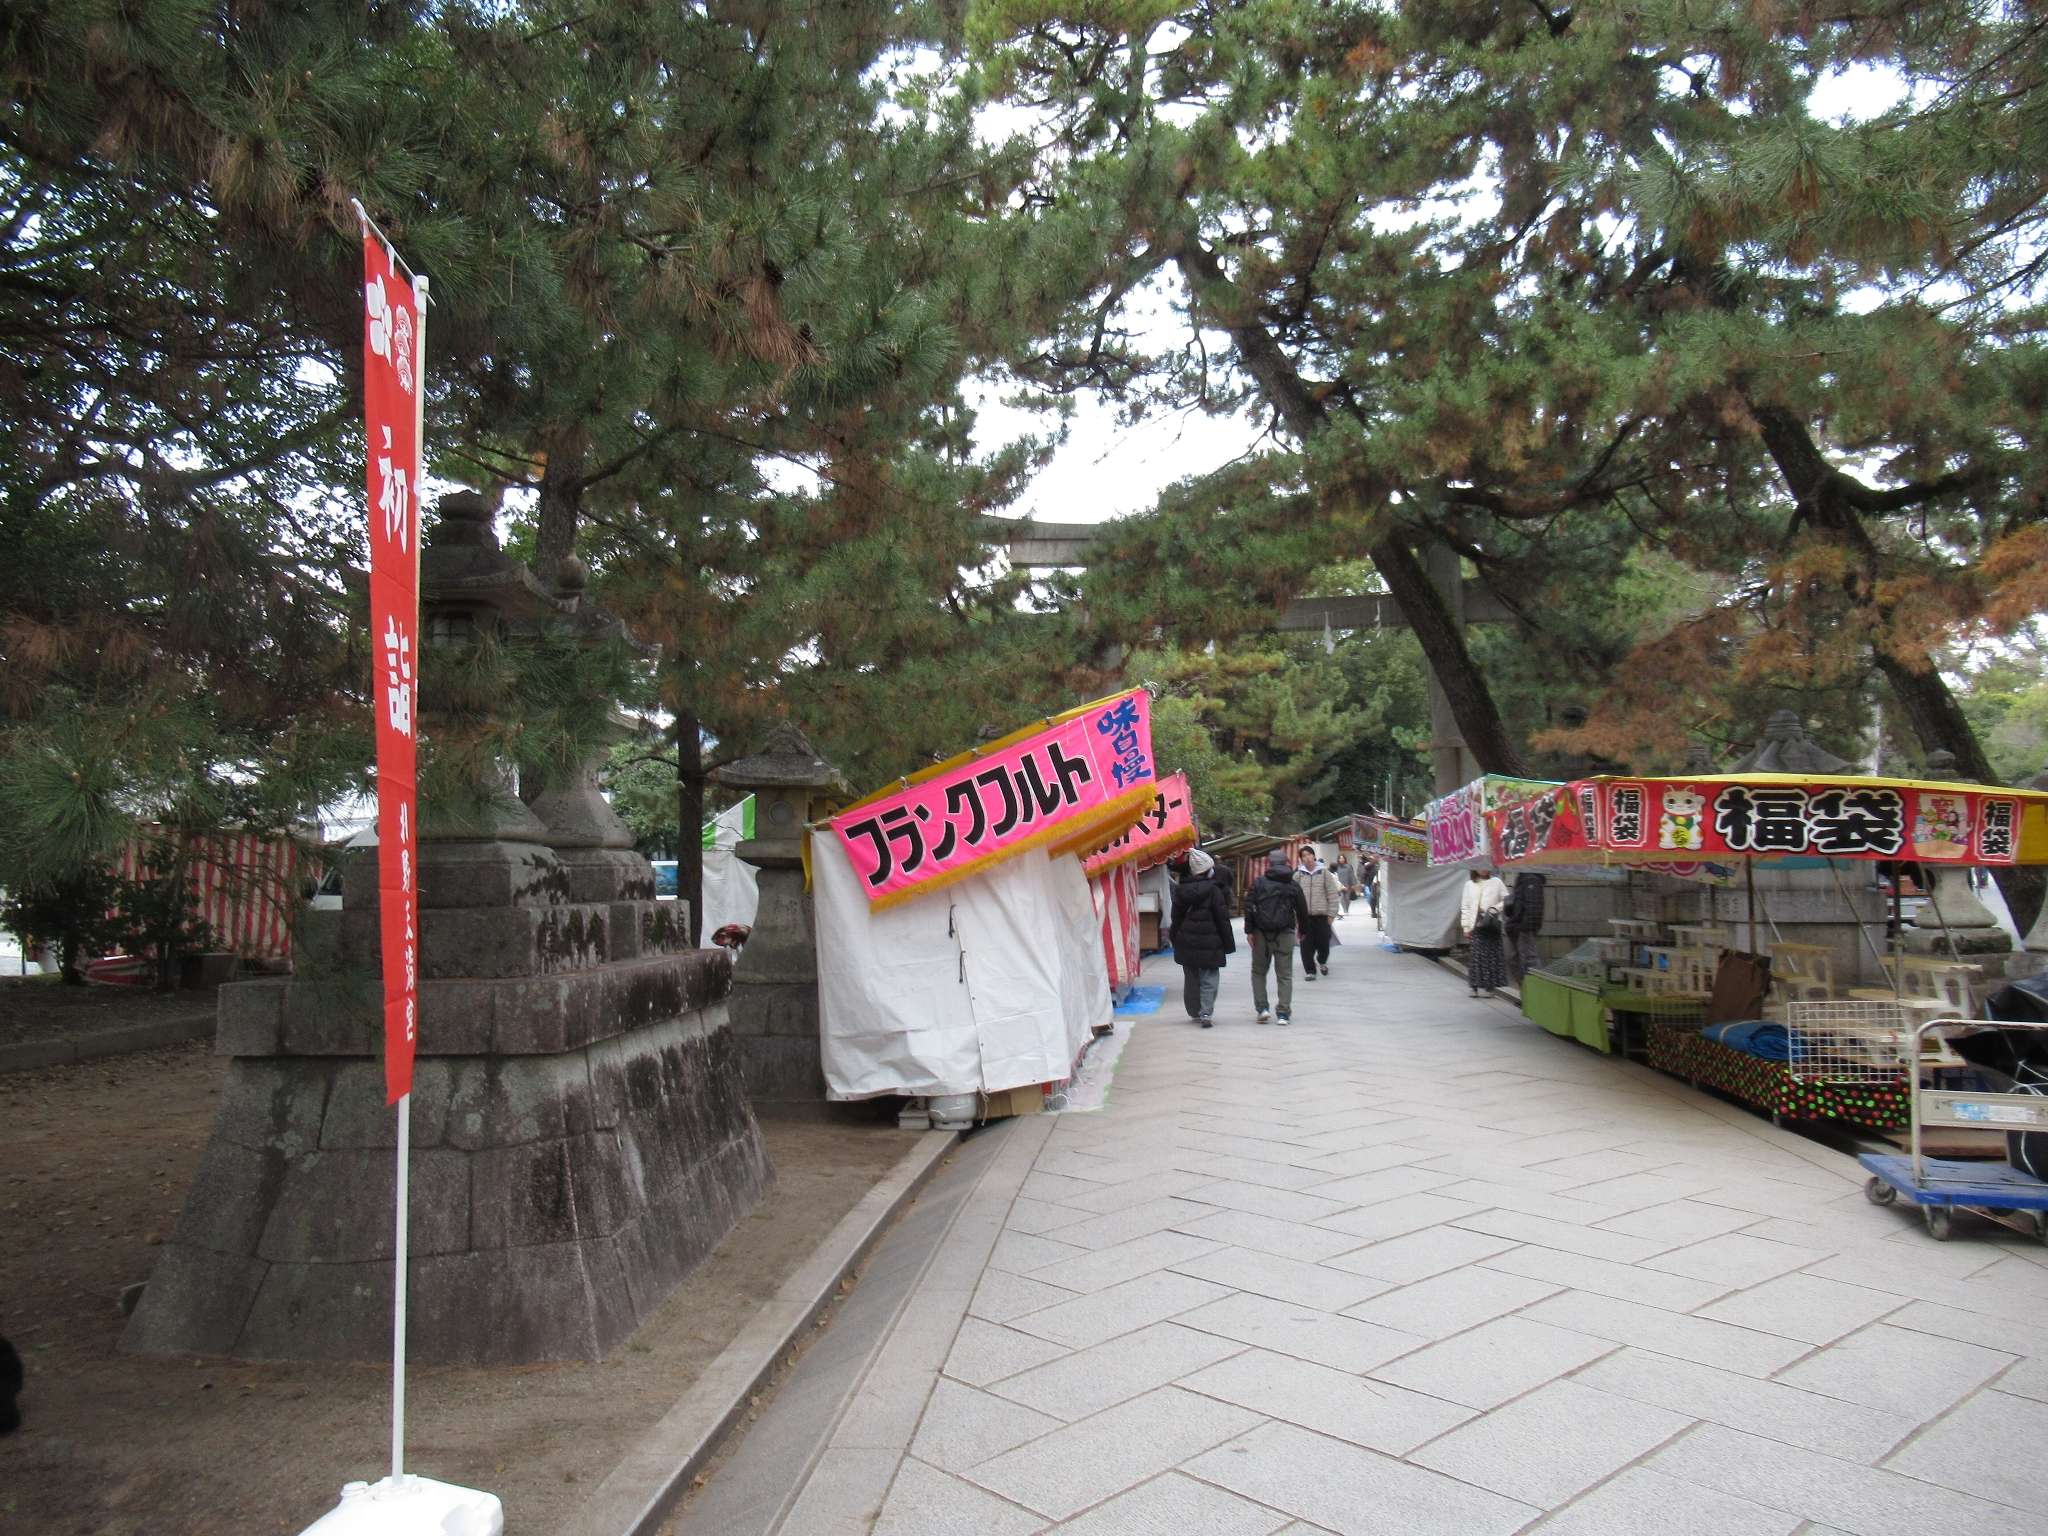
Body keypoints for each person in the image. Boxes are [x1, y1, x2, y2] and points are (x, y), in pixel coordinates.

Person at [1167, 850, 1234, 1027]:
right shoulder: (1214, 890)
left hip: (1187, 940)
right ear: (1207, 870)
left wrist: (1174, 937)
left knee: (1191, 978)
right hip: (1210, 941)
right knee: (1209, 977)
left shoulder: (1181, 891)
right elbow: (1222, 918)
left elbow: (1176, 918)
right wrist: (1228, 943)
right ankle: (1206, 1013)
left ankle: (1193, 1010)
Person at [1246, 848, 1310, 1024]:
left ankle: (1262, 1009)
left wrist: (1249, 931)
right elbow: (1303, 910)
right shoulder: (1292, 884)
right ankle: (1283, 1013)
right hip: (1285, 933)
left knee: (1258, 972)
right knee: (1285, 975)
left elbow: (1249, 906)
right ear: (1286, 863)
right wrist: (1303, 930)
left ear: (1269, 863)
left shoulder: (1259, 883)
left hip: (1261, 934)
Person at [1460, 867, 1508, 997]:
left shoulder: (1497, 882)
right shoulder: (1469, 884)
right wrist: (1465, 926)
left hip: (1491, 922)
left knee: (1492, 955)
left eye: (1486, 866)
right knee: (1476, 955)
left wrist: (1495, 908)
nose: (1483, 869)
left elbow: (1507, 899)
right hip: (1475, 922)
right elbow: (1465, 906)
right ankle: (1474, 986)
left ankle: (1489, 987)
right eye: (1480, 866)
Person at [1295, 845, 1341, 979]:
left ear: (1314, 856)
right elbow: (1292, 897)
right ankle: (1310, 971)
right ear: (1301, 859)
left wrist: (1332, 914)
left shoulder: (1324, 873)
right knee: (1305, 945)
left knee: (1323, 943)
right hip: (1304, 917)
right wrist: (1295, 917)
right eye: (1304, 856)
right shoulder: (1298, 875)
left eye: (1309, 854)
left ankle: (1322, 961)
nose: (1307, 858)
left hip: (1322, 916)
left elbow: (1332, 894)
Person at [1503, 869, 1547, 982]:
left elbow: (1533, 906)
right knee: (1514, 959)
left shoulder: (1531, 879)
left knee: (1528, 960)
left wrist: (1524, 927)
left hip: (1524, 927)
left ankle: (1536, 991)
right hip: (1516, 925)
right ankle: (1526, 990)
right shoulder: (1523, 878)